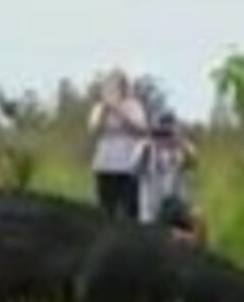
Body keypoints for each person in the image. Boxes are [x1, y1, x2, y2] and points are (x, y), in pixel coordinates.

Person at [139, 111, 208, 246]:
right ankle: (182, 239)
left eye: (166, 134)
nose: (163, 138)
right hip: (153, 212)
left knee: (199, 219)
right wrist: (151, 142)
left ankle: (195, 248)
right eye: (160, 134)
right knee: (171, 237)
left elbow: (193, 160)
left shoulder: (178, 153)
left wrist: (179, 140)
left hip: (176, 206)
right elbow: (139, 161)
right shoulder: (147, 150)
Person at [88, 70, 149, 220]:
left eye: (118, 85)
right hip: (104, 164)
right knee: (106, 209)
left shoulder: (134, 106)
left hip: (127, 165)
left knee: (129, 209)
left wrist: (118, 112)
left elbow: (141, 130)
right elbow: (94, 130)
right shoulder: (99, 107)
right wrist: (105, 110)